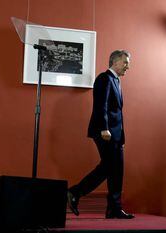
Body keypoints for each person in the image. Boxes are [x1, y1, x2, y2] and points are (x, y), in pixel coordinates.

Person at [67, 50, 135, 219]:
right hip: (105, 132)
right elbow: (101, 105)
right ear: (115, 62)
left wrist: (122, 138)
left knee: (116, 170)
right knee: (109, 167)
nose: (128, 66)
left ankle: (113, 209)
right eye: (125, 62)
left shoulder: (116, 81)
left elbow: (118, 113)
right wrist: (104, 128)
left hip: (116, 136)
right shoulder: (104, 78)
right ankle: (75, 192)